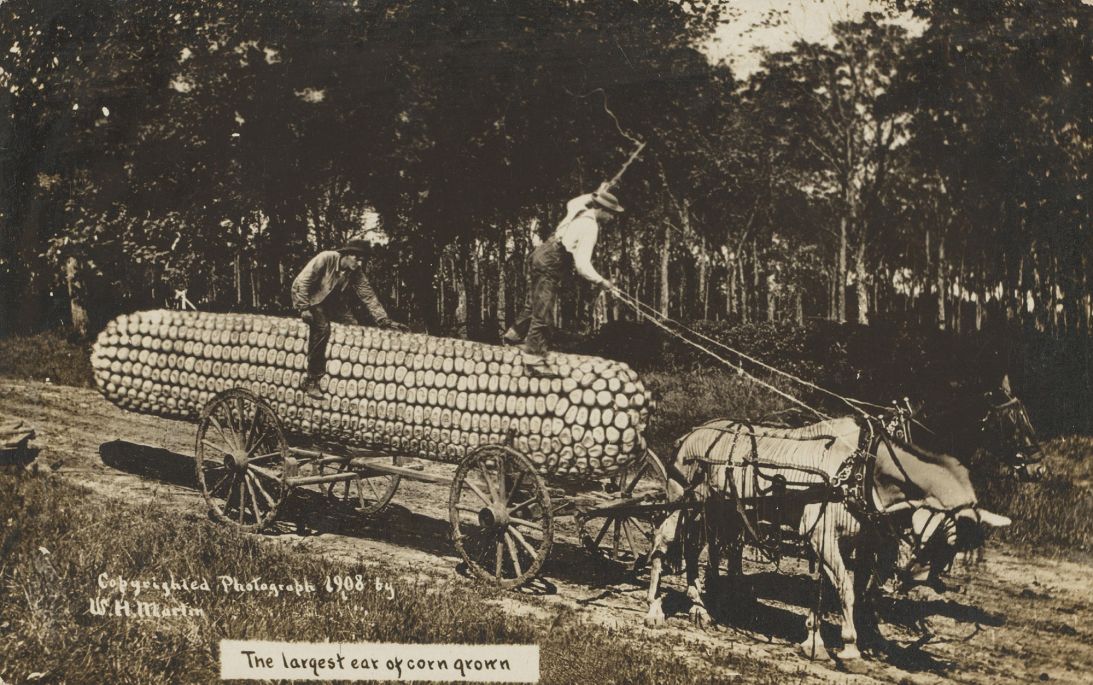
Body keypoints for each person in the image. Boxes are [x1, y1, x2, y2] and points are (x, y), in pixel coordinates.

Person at [503, 186, 622, 372]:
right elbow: (582, 265)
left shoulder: (579, 209)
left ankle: (513, 335)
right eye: (612, 214)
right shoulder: (591, 227)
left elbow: (572, 202)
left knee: (535, 302)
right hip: (552, 261)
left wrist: (594, 194)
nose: (612, 218)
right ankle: (533, 358)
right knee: (544, 309)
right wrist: (602, 281)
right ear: (603, 210)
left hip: (541, 253)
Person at [292, 238, 407, 399]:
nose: (359, 263)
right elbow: (301, 281)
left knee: (353, 327)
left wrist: (383, 320)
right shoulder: (326, 258)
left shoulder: (355, 272)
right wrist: (303, 307)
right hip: (311, 299)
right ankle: (311, 379)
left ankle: (342, 373)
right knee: (322, 328)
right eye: (357, 258)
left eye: (362, 260)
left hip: (333, 302)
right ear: (346, 254)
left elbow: (368, 295)